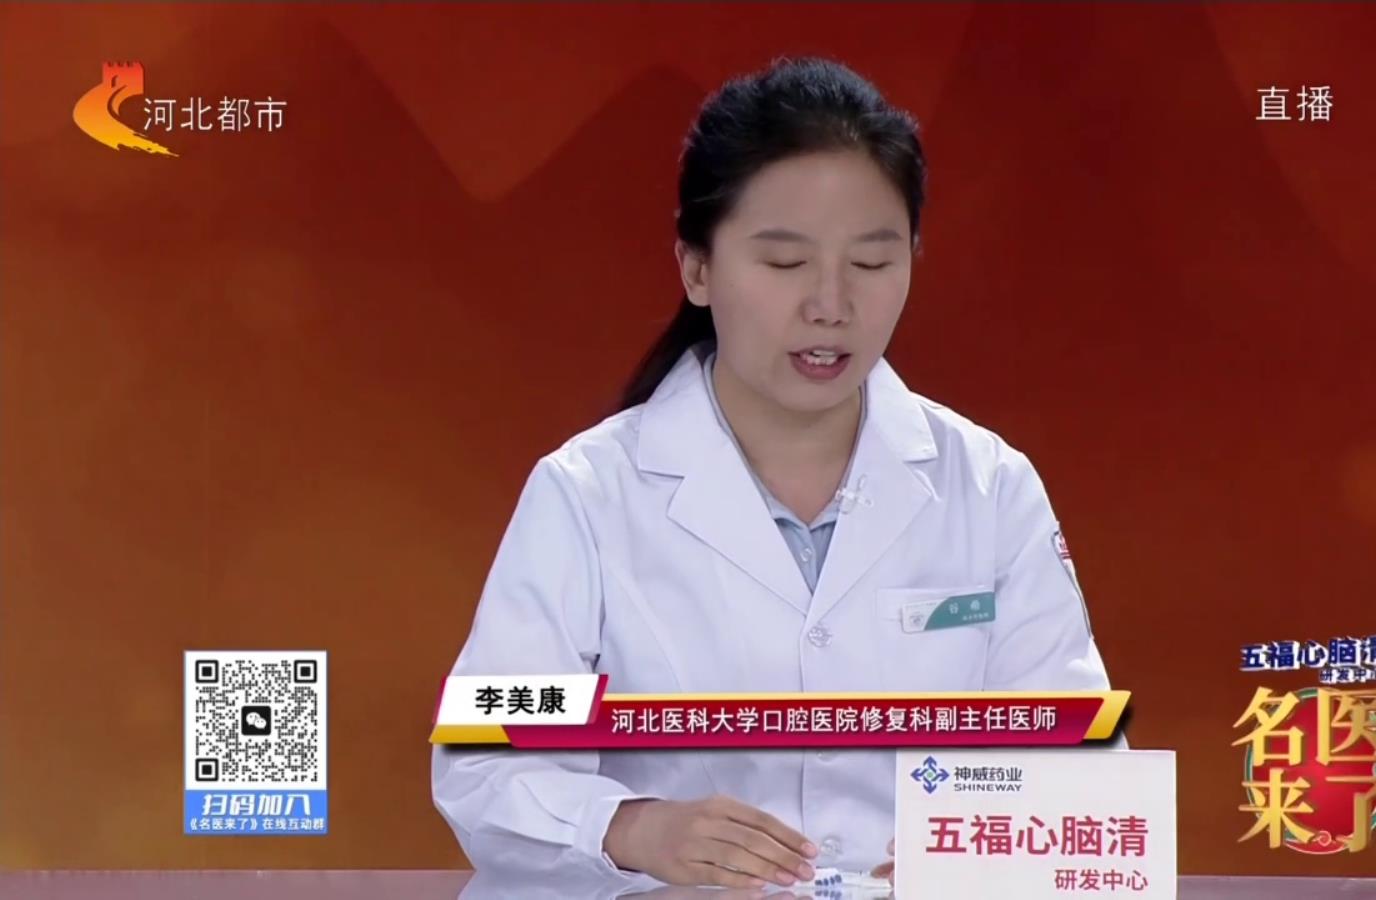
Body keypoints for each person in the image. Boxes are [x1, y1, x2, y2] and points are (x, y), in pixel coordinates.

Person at [432, 55, 1120, 891]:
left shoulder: (989, 488)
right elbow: (485, 759)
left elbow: (1076, 749)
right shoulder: (588, 495)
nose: (831, 305)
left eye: (872, 264)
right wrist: (631, 827)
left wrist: (990, 843)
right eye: (786, 264)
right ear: (697, 268)